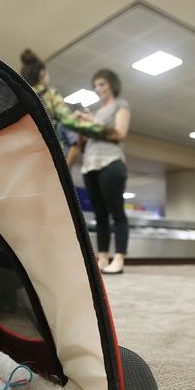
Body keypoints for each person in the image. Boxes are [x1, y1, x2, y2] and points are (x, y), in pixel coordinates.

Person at [19, 49, 117, 167]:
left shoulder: (20, 99)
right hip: (47, 154)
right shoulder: (49, 95)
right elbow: (68, 120)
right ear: (42, 73)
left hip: (26, 155)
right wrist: (103, 130)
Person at [80, 68, 131, 275]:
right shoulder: (96, 112)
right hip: (90, 164)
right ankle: (102, 257)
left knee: (116, 212)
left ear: (112, 84)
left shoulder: (121, 105)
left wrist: (93, 122)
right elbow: (83, 143)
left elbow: (119, 134)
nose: (98, 88)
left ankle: (119, 258)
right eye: (95, 85)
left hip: (111, 162)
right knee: (100, 214)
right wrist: (81, 125)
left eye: (102, 84)